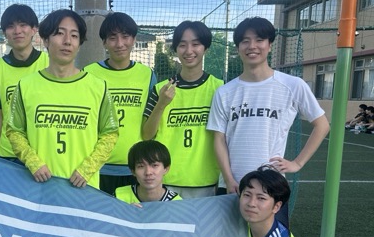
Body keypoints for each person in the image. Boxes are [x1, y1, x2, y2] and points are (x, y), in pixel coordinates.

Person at [6, 8, 118, 237]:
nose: (66, 41)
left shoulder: (97, 86)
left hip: (83, 193)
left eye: (74, 35)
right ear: (45, 39)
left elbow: (110, 133)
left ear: (81, 42)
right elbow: (14, 130)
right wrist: (32, 160)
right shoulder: (27, 85)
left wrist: (87, 167)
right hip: (40, 192)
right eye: (59, 33)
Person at [207, 17, 330, 216]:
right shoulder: (224, 92)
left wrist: (297, 163)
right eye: (245, 41)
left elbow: (322, 125)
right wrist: (229, 179)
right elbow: (219, 139)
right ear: (238, 47)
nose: (252, 46)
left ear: (270, 45)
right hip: (233, 186)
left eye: (259, 40)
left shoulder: (293, 85)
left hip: (272, 187)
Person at [0, 3, 49, 237]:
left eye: (24, 25)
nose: (18, 30)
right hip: (9, 158)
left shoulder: (50, 61)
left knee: (41, 226)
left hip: (44, 159)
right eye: (11, 26)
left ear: (35, 30)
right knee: (9, 225)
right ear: (5, 33)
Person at [143, 21, 223, 198]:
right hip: (166, 181)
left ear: (206, 48)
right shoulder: (161, 89)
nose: (189, 51)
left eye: (195, 44)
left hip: (206, 182)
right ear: (175, 49)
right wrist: (162, 104)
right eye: (182, 45)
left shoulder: (220, 89)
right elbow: (147, 135)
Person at [84, 12, 156, 196]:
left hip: (136, 166)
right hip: (98, 166)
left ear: (134, 39)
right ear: (104, 43)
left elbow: (151, 122)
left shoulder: (147, 75)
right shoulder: (89, 73)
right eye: (112, 38)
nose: (119, 44)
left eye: (125, 36)